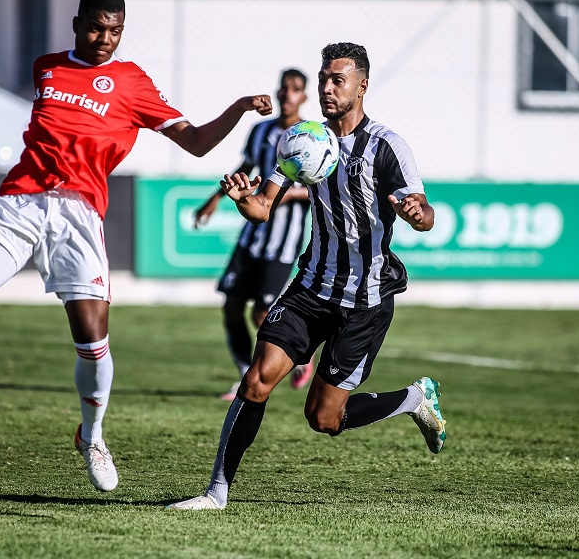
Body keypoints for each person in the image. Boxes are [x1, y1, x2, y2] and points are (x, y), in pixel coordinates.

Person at [0, 0, 272, 493]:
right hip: (21, 200)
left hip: (79, 214)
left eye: (116, 31)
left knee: (93, 342)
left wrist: (235, 107)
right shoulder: (48, 66)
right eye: (97, 28)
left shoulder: (131, 81)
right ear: (77, 23)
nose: (106, 39)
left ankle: (93, 434)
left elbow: (193, 143)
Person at [168, 42, 446, 510]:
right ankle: (216, 493)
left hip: (365, 300)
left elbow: (426, 214)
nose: (327, 88)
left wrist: (418, 213)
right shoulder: (303, 138)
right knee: (256, 381)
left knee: (323, 418)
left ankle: (414, 398)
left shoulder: (386, 146)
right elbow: (262, 208)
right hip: (311, 287)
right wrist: (242, 199)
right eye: (323, 78)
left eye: (338, 79)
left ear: (362, 85)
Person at [193, 68, 313, 401]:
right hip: (252, 237)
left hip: (283, 242)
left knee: (262, 313)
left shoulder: (311, 137)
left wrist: (284, 194)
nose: (288, 94)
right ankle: (245, 373)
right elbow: (245, 168)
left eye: (296, 89)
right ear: (277, 93)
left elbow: (318, 187)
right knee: (232, 306)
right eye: (284, 88)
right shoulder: (261, 130)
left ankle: (300, 355)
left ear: (304, 97)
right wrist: (215, 199)